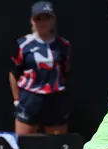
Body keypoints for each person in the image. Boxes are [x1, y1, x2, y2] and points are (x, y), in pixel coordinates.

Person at [9, 1, 71, 135]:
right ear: (32, 21)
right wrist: (17, 100)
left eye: (46, 18)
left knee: (56, 146)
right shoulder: (23, 44)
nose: (43, 23)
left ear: (53, 20)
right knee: (24, 145)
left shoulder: (63, 45)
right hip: (30, 98)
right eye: (38, 18)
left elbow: (66, 72)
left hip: (55, 99)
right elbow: (14, 74)